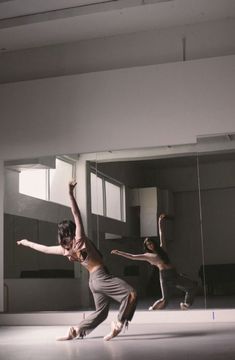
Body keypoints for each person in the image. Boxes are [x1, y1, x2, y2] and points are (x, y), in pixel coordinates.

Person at [17, 181, 137, 341]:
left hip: (93, 282)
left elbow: (45, 249)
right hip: (101, 276)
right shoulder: (79, 240)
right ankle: (119, 323)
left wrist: (26, 242)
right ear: (72, 230)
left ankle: (75, 330)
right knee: (131, 293)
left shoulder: (65, 250)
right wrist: (70, 193)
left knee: (101, 313)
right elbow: (76, 213)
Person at [111, 214, 197, 311]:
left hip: (174, 274)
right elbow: (133, 257)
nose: (150, 245)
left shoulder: (162, 248)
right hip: (165, 276)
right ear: (146, 247)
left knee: (192, 286)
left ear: (153, 243)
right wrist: (119, 252)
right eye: (147, 245)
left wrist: (160, 222)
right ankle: (152, 309)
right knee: (165, 299)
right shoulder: (148, 256)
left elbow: (161, 234)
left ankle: (186, 304)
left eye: (150, 243)